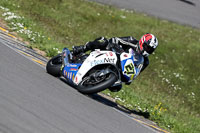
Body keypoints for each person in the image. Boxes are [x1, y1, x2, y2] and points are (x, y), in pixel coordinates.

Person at [72, 33, 158, 91]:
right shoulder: (131, 41)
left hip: (119, 69)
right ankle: (82, 48)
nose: (147, 50)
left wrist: (129, 78)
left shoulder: (145, 62)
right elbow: (114, 40)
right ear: (142, 42)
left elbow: (135, 74)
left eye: (150, 49)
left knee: (117, 87)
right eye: (147, 47)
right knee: (103, 41)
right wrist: (120, 51)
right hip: (111, 53)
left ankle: (96, 80)